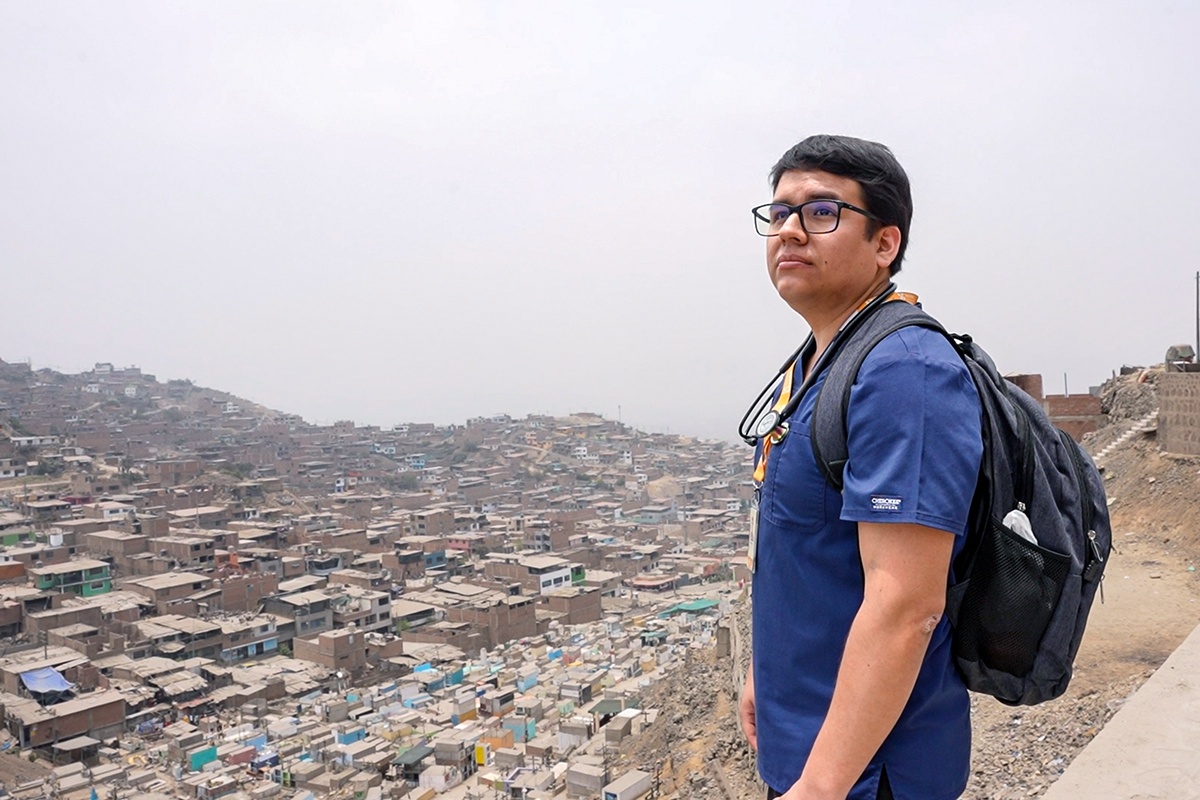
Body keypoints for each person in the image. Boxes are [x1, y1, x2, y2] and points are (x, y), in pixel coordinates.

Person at [738, 134, 983, 800]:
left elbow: (906, 607)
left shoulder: (904, 371)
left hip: (867, 776)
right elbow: (807, 550)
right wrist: (768, 671)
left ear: (885, 244)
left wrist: (819, 788)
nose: (789, 230)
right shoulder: (819, 362)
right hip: (812, 747)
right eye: (780, 212)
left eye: (821, 212)